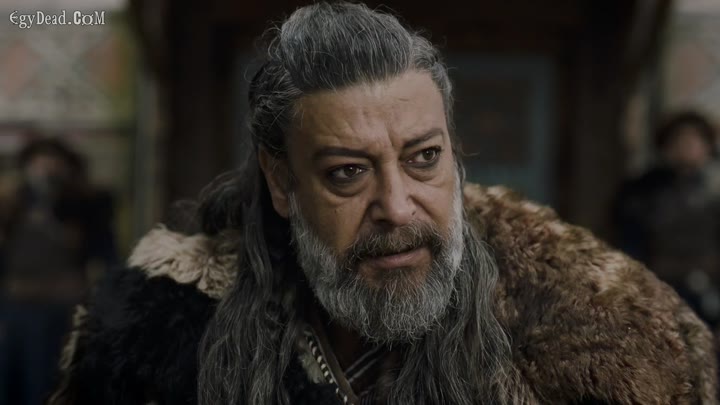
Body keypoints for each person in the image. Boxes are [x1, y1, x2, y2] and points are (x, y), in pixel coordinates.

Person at [49, 3, 715, 404]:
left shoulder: (604, 329)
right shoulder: (155, 332)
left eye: (424, 159)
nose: (397, 207)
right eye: (347, 173)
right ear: (281, 182)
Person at [0, 137, 117, 405]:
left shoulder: (85, 204)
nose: (47, 167)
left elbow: (106, 255)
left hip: (63, 310)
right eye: (39, 160)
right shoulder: (12, 205)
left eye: (54, 160)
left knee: (51, 380)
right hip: (16, 307)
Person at [615, 111, 720, 329]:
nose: (688, 146)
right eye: (680, 139)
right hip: (658, 285)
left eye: (695, 140)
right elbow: (630, 240)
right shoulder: (643, 190)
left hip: (709, 287)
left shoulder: (713, 189)